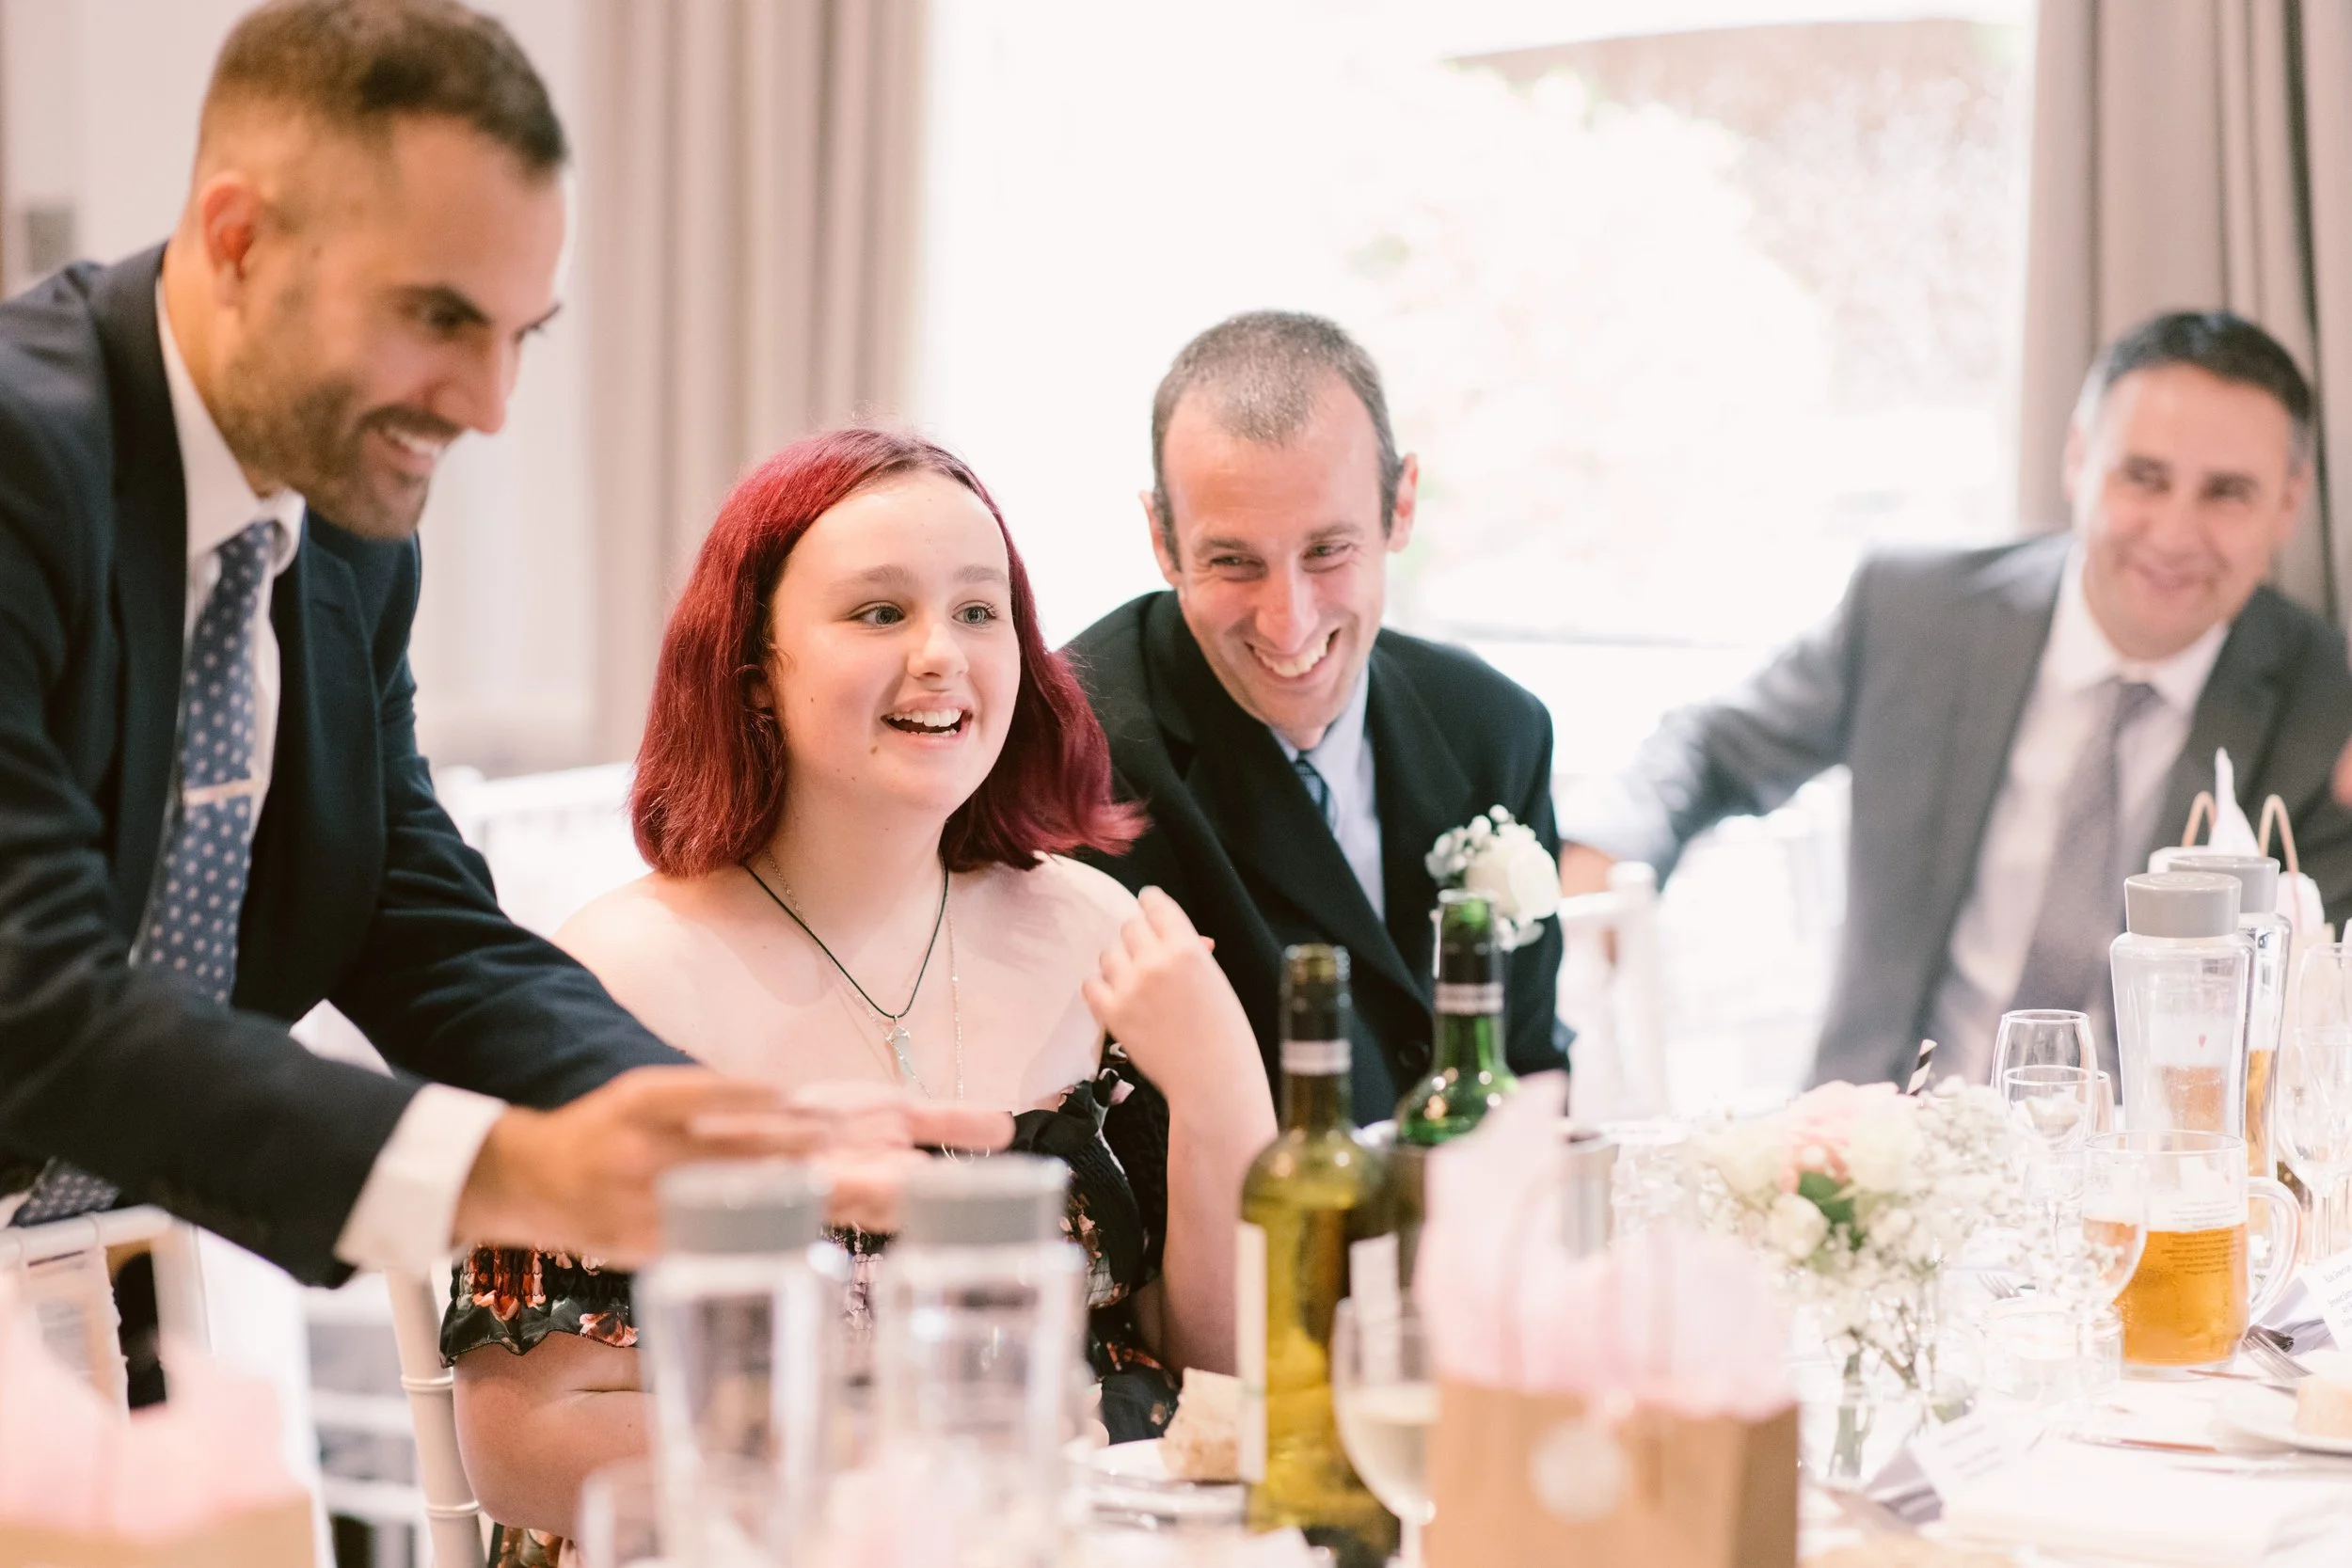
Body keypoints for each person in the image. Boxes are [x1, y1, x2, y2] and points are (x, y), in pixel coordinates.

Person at [0, 0, 981, 1289]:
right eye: (438, 318)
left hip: (110, 1271)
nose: (491, 406)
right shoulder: (23, 457)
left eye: (522, 334)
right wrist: (505, 1171)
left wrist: (699, 1124)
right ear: (238, 242)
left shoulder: (343, 529)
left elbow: (405, 908)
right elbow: (32, 997)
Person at [445, 429, 1276, 1549]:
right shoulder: (612, 983)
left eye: (980, 612)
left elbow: (1216, 1387)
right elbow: (524, 1447)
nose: (942, 653)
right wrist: (912, 1479)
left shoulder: (1101, 932)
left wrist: (1225, 1087)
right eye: (879, 612)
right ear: (753, 676)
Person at [1557, 310, 2352, 1088]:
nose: (2175, 534)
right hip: (1884, 1146)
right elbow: (1710, 748)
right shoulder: (1915, 615)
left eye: (2227, 493)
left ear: (2288, 503)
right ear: (2077, 460)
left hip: (2166, 1192)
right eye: (2142, 477)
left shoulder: (2330, 705)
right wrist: (1602, 851)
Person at [1067, 311, 1569, 1122]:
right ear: (1162, 539)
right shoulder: (1077, 749)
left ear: (1400, 507)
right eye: (1234, 562)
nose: (1287, 623)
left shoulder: (1494, 728)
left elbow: (1531, 1071)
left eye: (1328, 552)